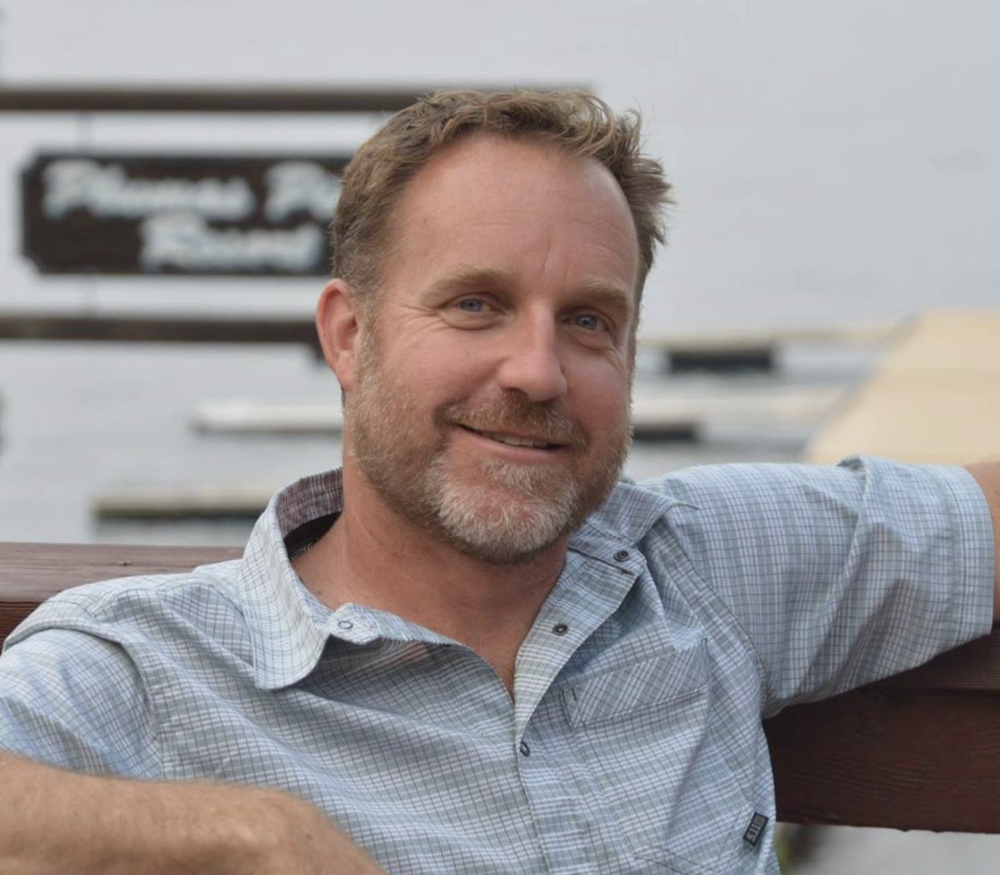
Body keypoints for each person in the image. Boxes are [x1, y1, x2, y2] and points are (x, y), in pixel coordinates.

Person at [0, 89, 997, 875]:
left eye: (588, 320)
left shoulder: (704, 564)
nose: (537, 371)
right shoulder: (148, 667)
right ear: (350, 335)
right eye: (476, 304)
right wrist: (247, 833)